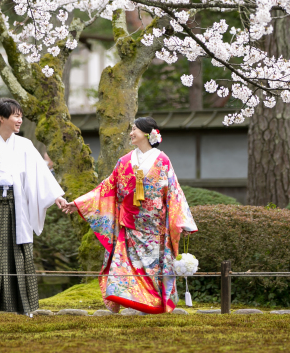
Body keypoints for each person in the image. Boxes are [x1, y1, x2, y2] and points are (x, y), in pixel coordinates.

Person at [62, 117, 197, 314]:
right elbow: (106, 188)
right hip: (129, 226)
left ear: (148, 133)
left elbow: (174, 192)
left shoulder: (162, 160)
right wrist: (78, 204)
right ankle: (132, 301)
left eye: (135, 129)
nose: (131, 133)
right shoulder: (124, 161)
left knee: (153, 271)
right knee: (125, 266)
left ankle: (154, 306)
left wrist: (182, 222)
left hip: (155, 229)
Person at [0, 98, 68, 314]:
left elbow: (41, 175)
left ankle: (21, 307)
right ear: (2, 118)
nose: (20, 120)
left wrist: (56, 196)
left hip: (17, 208)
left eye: (20, 116)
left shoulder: (25, 145)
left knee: (18, 251)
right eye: (16, 115)